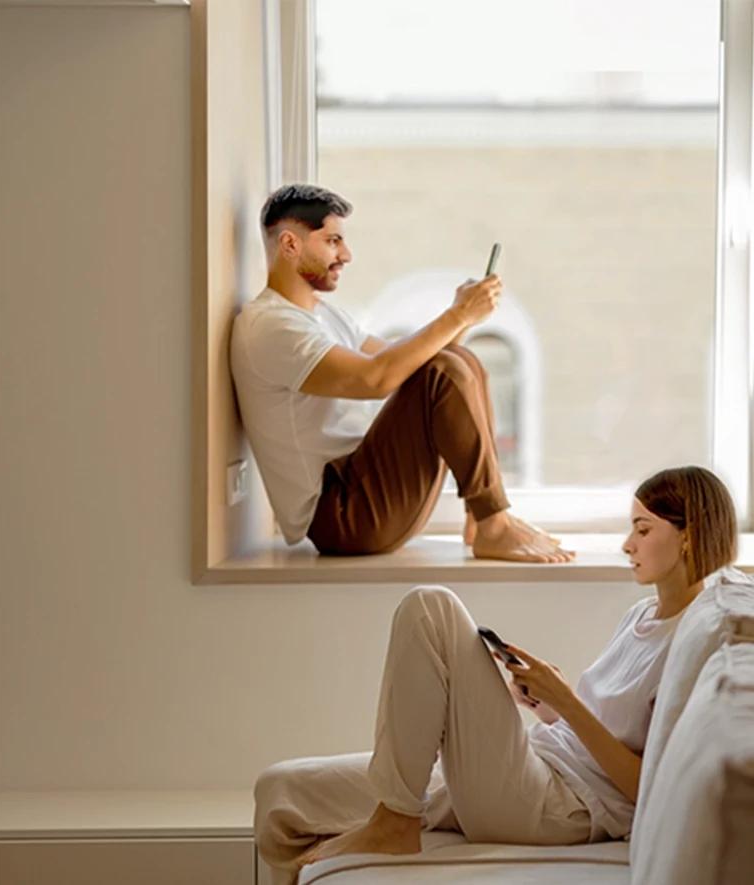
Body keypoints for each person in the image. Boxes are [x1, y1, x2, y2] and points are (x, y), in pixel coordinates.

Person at [254, 466, 738, 884]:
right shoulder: (639, 617)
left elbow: (648, 783)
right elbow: (608, 724)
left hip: (558, 803)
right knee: (281, 792)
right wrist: (546, 704)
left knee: (432, 608)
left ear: (689, 534)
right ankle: (389, 818)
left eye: (643, 530)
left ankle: (395, 822)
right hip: (535, 761)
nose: (627, 544)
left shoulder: (695, 639)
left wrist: (567, 700)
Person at [230, 183, 574, 562]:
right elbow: (375, 380)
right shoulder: (271, 326)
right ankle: (493, 523)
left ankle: (484, 520)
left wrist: (467, 318)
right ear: (291, 245)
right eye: (332, 241)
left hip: (364, 493)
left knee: (463, 361)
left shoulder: (322, 315)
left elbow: (412, 363)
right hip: (343, 516)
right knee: (446, 368)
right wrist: (456, 315)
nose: (345, 254)